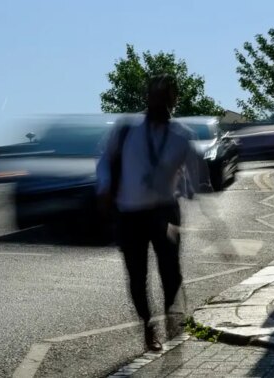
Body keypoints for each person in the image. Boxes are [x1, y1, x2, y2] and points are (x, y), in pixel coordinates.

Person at [96, 74, 208, 351]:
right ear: (147, 97)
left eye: (166, 96)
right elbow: (105, 162)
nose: (160, 101)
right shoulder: (126, 128)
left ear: (174, 99)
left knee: (172, 272)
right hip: (129, 213)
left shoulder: (181, 136)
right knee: (137, 275)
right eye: (155, 95)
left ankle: (171, 310)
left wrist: (195, 186)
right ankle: (147, 326)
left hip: (165, 212)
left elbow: (195, 177)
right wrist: (105, 188)